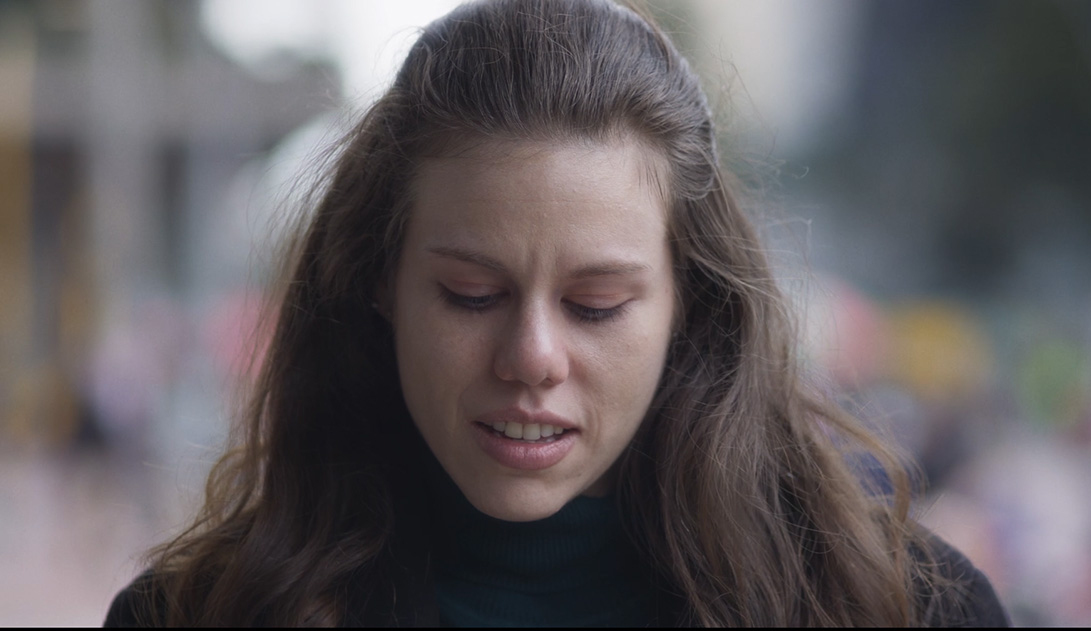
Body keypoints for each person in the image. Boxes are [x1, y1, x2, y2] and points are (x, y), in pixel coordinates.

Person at [104, 0, 1010, 626]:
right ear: (379, 280)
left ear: (690, 302)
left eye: (595, 305)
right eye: (472, 294)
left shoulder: (894, 606)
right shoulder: (201, 613)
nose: (532, 355)